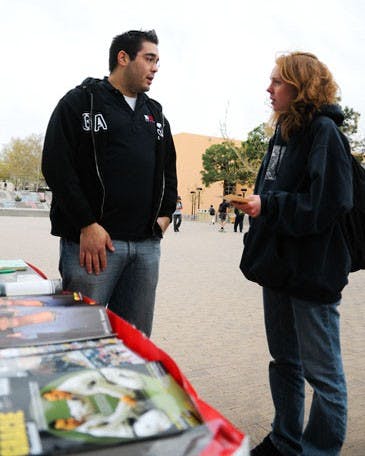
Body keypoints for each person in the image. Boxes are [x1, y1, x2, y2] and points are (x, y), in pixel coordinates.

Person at [234, 52, 352, 455]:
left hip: (313, 272)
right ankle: (286, 440)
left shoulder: (325, 133)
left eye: (277, 82)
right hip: (279, 268)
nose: (269, 89)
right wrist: (258, 209)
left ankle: (318, 449)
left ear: (300, 87)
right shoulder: (283, 132)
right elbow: (270, 192)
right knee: (284, 361)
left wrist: (269, 206)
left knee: (324, 376)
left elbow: (328, 205)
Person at [42, 30, 177, 337]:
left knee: (135, 341)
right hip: (93, 247)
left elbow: (168, 170)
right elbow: (56, 166)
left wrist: (164, 217)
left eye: (158, 61)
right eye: (149, 58)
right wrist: (86, 223)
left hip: (145, 248)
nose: (155, 67)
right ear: (123, 58)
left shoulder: (155, 113)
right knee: (80, 337)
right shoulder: (79, 102)